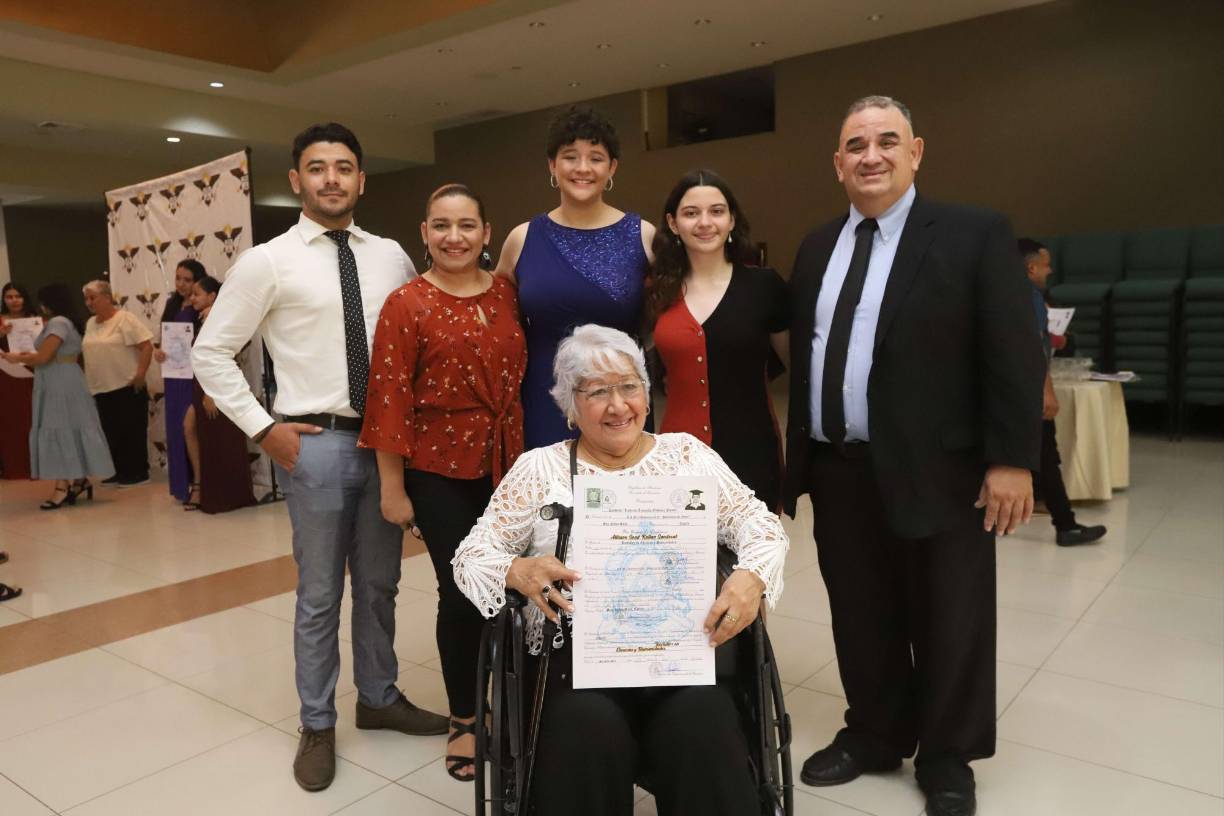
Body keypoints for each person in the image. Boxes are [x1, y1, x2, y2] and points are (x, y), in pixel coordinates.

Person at [781, 96, 1044, 816]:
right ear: (838, 164)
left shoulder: (973, 233)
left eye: (887, 141)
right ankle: (875, 732)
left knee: (950, 616)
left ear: (916, 151)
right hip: (839, 470)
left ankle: (949, 753)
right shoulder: (816, 245)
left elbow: (1013, 353)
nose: (872, 156)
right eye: (855, 145)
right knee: (860, 615)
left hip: (946, 470)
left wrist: (1012, 460)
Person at [192, 122, 447, 793]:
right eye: (317, 167)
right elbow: (210, 352)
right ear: (296, 181)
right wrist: (262, 427)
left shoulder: (391, 255)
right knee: (319, 594)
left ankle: (380, 696)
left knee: (382, 583)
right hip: (316, 444)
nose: (331, 178)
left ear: (361, 179)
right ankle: (316, 722)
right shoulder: (267, 261)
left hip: (385, 445)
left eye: (343, 167)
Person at [453, 324, 789, 816]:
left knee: (707, 727)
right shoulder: (538, 470)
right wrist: (518, 569)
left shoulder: (687, 457)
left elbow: (760, 526)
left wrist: (751, 577)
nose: (618, 405)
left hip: (684, 659)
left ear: (647, 395)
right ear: (571, 405)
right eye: (597, 392)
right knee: (584, 733)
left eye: (629, 386)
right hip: (576, 667)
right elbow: (471, 556)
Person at [359, 183, 528, 781]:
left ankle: (515, 703)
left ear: (486, 233)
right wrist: (392, 487)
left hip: (510, 464)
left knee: (515, 592)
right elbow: (388, 400)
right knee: (462, 593)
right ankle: (464, 718)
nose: (454, 237)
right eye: (441, 226)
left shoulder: (507, 293)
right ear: (423, 233)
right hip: (438, 468)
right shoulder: (406, 303)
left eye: (466, 225)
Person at [494, 104, 656, 449]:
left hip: (621, 408)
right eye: (570, 156)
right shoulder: (521, 239)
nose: (583, 168)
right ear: (552, 165)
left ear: (612, 167)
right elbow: (496, 319)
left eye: (595, 157)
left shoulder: (644, 236)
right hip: (544, 403)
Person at [647, 169, 789, 510]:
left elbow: (795, 365)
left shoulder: (764, 286)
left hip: (752, 450)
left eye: (716, 211)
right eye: (691, 213)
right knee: (684, 560)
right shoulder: (657, 292)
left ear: (731, 220)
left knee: (753, 558)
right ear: (672, 222)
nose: (704, 222)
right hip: (678, 456)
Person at [1018, 238, 1107, 546]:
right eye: (1045, 265)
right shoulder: (1029, 298)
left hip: (1005, 391)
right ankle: (1066, 526)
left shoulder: (1003, 294)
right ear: (1031, 268)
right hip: (1027, 390)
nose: (1050, 270)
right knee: (1046, 456)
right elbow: (1033, 349)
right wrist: (1047, 391)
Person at [2, 284, 115, 510]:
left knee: (60, 427)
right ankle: (79, 478)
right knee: (68, 427)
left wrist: (15, 359)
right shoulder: (63, 322)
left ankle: (62, 485)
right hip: (59, 378)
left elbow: (44, 356)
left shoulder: (58, 322)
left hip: (60, 382)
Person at [181, 275, 256, 514]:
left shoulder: (220, 318)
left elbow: (224, 354)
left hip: (215, 386)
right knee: (192, 427)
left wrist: (212, 392)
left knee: (219, 437)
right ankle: (202, 485)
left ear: (212, 296)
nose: (191, 298)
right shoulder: (204, 318)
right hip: (202, 384)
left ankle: (220, 493)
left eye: (196, 294)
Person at [81, 279, 154, 487]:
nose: (88, 302)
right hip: (101, 387)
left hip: (127, 385)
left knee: (131, 430)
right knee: (111, 430)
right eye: (86, 298)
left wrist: (140, 373)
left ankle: (138, 472)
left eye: (92, 297)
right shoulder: (90, 323)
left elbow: (146, 346)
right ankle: (119, 471)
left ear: (107, 297)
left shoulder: (125, 319)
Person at [154, 259, 205, 503]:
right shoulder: (171, 304)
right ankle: (181, 485)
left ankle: (199, 483)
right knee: (176, 430)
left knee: (191, 429)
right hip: (173, 376)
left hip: (193, 375)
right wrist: (159, 352)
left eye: (187, 279)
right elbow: (163, 340)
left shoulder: (201, 307)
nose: (182, 284)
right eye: (178, 278)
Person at [0, 282, 37, 480]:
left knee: (33, 418)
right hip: (6, 378)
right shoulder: (0, 321)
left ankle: (38, 466)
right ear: (4, 300)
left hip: (34, 373)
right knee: (11, 421)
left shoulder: (35, 320)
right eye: (9, 297)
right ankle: (15, 467)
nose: (14, 301)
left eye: (18, 296)